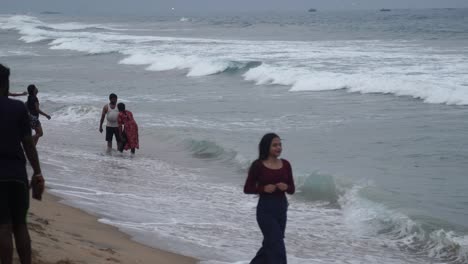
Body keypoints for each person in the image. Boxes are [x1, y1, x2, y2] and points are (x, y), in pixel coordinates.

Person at [0, 64, 45, 264]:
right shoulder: (18, 108)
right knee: (20, 225)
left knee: (3, 227)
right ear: (6, 84)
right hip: (18, 175)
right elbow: (29, 145)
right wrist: (37, 173)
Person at [244, 133, 295, 264]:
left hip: (281, 209)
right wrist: (263, 189)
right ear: (266, 147)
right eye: (275, 145)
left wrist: (286, 187)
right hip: (265, 210)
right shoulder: (258, 165)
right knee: (277, 247)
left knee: (270, 246)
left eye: (280, 145)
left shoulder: (286, 164)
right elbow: (247, 188)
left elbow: (292, 189)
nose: (279, 148)